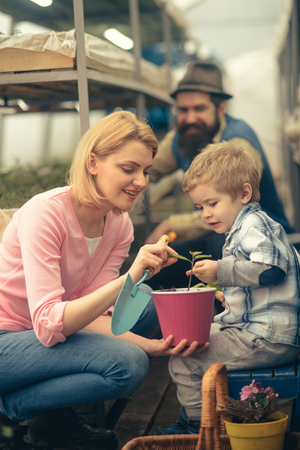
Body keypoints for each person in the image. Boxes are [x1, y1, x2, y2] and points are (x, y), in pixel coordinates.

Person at [0, 111, 208, 450]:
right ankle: (10, 408)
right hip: (9, 340)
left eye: (146, 171)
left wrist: (153, 345)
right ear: (93, 162)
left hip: (53, 335)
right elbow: (49, 324)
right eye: (128, 169)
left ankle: (49, 414)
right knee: (128, 364)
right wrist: (130, 275)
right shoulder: (46, 214)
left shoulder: (119, 225)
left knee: (146, 300)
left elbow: (98, 314)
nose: (140, 181)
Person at [155, 141, 300, 435]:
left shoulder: (253, 226)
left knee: (184, 357)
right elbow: (262, 283)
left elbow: (271, 271)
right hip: (259, 330)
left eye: (212, 203)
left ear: (244, 193)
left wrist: (219, 269)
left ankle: (199, 427)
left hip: (266, 337)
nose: (206, 214)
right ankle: (208, 414)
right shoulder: (245, 225)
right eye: (199, 207)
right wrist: (228, 293)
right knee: (192, 338)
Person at [146, 60, 296, 291]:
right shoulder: (182, 138)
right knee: (165, 263)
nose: (190, 118)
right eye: (183, 110)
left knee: (220, 245)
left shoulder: (238, 141)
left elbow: (232, 213)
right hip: (218, 232)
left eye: (200, 108)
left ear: (221, 109)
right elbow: (147, 169)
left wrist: (169, 224)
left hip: (260, 242)